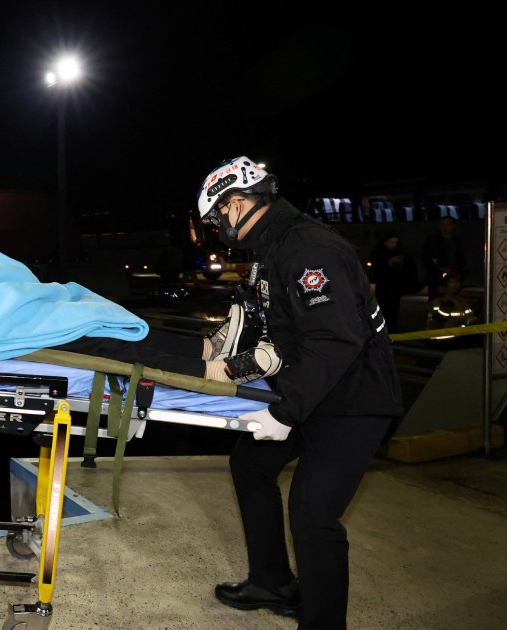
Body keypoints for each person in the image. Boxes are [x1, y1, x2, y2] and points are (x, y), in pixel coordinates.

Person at [195, 156, 404, 629]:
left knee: (312, 515)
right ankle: (271, 581)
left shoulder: (309, 250)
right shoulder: (273, 250)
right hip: (314, 389)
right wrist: (231, 360)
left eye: (218, 218)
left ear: (238, 203)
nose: (219, 229)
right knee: (249, 463)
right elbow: (285, 334)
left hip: (355, 401)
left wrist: (286, 412)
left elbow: (335, 339)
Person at [368, 230, 419, 333]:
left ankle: (393, 329)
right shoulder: (378, 252)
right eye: (391, 242)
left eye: (395, 242)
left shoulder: (398, 252)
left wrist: (400, 263)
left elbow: (407, 268)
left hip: (395, 286)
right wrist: (389, 262)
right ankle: (384, 329)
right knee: (385, 309)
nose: (393, 245)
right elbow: (377, 269)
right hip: (384, 286)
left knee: (394, 310)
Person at [421, 216, 469, 302]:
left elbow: (461, 258)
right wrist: (440, 268)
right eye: (442, 225)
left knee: (453, 301)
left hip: (453, 276)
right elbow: (426, 258)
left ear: (454, 226)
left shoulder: (457, 241)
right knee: (435, 302)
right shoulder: (432, 240)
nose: (445, 227)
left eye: (448, 225)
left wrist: (460, 273)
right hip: (437, 277)